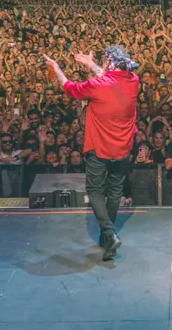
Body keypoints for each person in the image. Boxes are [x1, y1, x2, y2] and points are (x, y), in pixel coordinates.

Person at [45, 45, 139, 261]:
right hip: (123, 149)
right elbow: (111, 79)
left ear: (107, 63)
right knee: (115, 191)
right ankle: (108, 236)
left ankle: (108, 233)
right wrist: (91, 64)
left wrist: (57, 68)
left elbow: (69, 88)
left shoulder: (98, 85)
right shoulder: (133, 80)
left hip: (99, 149)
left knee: (95, 191)